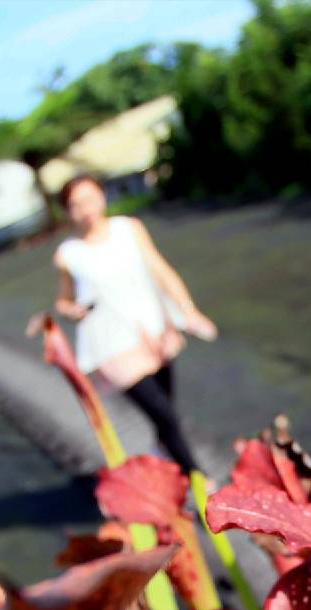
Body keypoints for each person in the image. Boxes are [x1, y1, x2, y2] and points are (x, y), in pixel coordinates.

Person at [53, 175, 216, 472]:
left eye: (89, 199)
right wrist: (71, 310)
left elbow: (160, 270)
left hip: (153, 331)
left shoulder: (128, 229)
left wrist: (187, 309)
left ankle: (162, 460)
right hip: (113, 345)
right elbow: (63, 300)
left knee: (166, 410)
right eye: (76, 204)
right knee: (163, 415)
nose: (85, 209)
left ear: (102, 197)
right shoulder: (68, 254)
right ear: (68, 211)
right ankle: (200, 480)